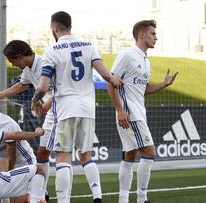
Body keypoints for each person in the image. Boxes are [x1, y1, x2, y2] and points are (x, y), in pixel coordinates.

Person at [32, 11, 123, 203]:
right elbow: (106, 75)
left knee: (63, 157)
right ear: (70, 26)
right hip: (88, 109)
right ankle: (97, 196)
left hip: (66, 110)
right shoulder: (89, 46)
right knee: (86, 155)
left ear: (54, 28)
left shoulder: (52, 51)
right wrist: (115, 80)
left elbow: (42, 87)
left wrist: (35, 100)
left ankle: (63, 200)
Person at [107, 20, 178, 203]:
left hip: (137, 113)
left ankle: (123, 199)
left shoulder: (146, 61)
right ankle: (142, 198)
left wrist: (164, 83)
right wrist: (120, 110)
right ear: (141, 34)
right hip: (130, 115)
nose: (156, 37)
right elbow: (111, 82)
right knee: (149, 153)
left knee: (130, 155)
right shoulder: (128, 55)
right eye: (153, 33)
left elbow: (144, 89)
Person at [0, 40, 55, 202]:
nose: (13, 65)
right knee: (43, 152)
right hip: (52, 114)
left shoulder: (45, 63)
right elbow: (21, 86)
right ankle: (41, 195)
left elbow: (60, 88)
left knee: (67, 155)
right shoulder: (28, 69)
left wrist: (44, 104)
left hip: (62, 110)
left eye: (12, 61)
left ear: (20, 56)